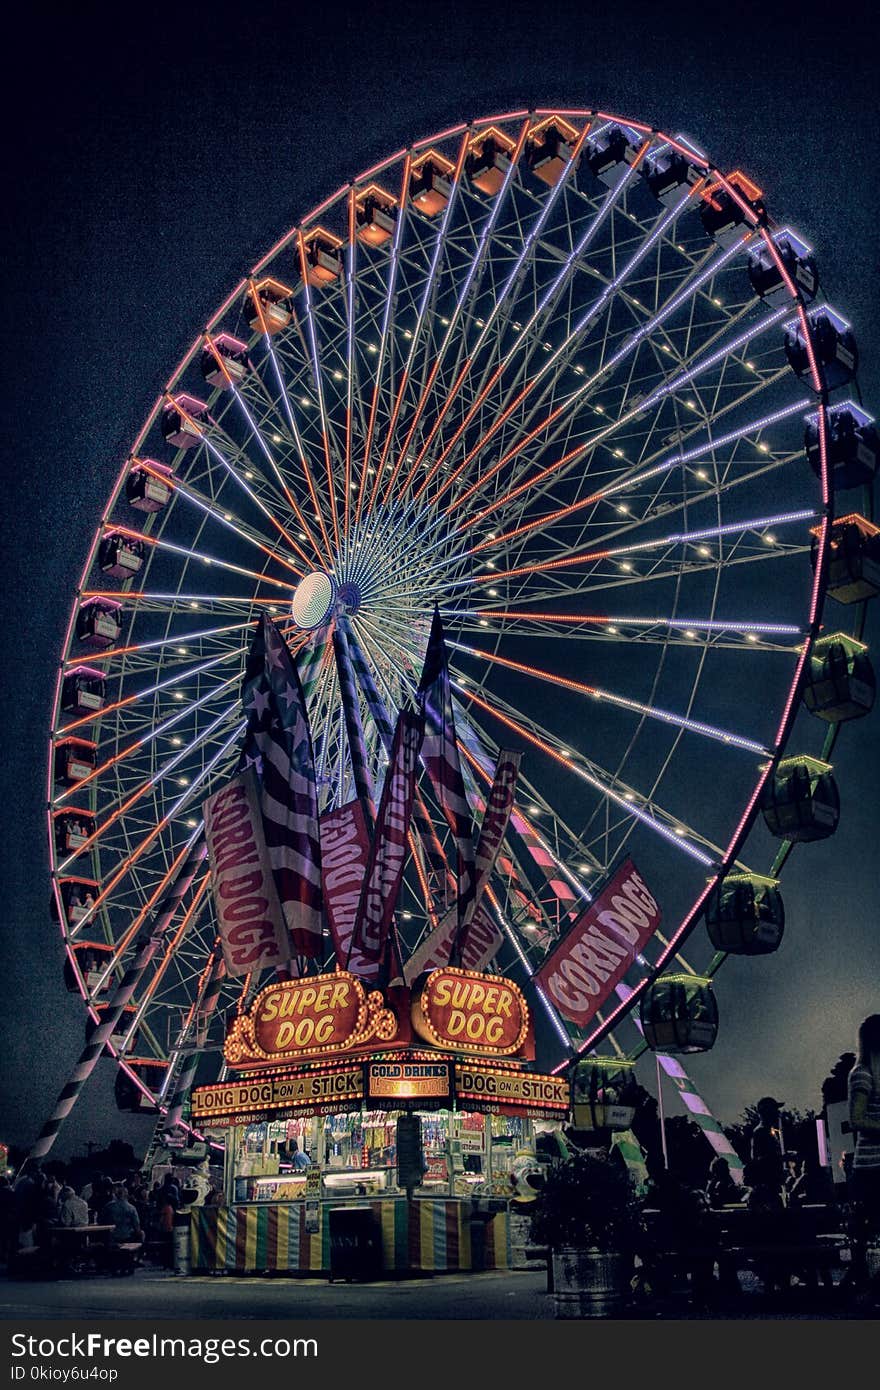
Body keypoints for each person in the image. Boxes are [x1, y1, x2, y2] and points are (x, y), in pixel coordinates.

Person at [847, 1013, 880, 1295]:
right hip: (872, 1167)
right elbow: (857, 1119)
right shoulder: (863, 1074)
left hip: (873, 1167)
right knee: (871, 1235)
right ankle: (865, 1288)